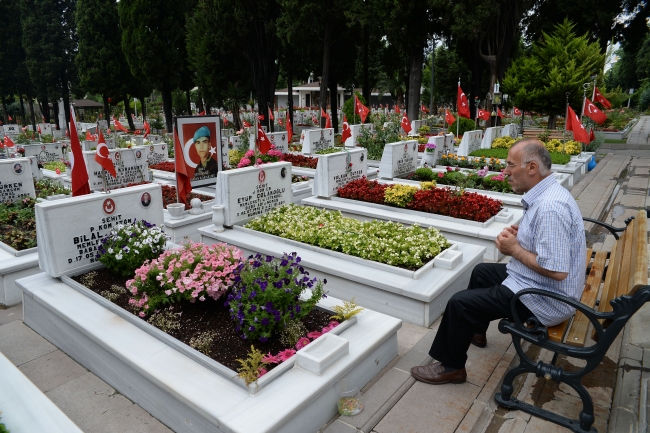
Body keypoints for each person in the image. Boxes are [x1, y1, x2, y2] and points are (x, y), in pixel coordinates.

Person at [411, 139, 586, 385]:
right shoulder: (548, 193)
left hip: (547, 299)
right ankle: (476, 331)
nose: (505, 172)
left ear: (532, 168)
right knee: (482, 272)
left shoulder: (550, 208)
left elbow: (557, 271)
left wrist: (514, 249)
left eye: (510, 165)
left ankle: (451, 367)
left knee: (459, 303)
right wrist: (523, 235)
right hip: (540, 285)